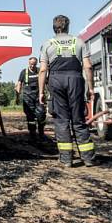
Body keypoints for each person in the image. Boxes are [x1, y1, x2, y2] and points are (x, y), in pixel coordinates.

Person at [38, 15, 95, 167]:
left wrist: (41, 92)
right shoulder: (80, 42)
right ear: (68, 27)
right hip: (76, 80)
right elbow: (88, 67)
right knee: (78, 119)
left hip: (56, 81)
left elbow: (43, 70)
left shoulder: (47, 44)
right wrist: (91, 88)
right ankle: (88, 158)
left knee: (61, 120)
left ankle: (66, 159)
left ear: (54, 27)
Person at [15, 57, 47, 142]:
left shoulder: (40, 71)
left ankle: (41, 133)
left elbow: (45, 82)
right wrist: (17, 96)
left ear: (36, 64)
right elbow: (19, 84)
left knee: (41, 115)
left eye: (34, 64)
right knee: (30, 117)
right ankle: (32, 135)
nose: (32, 66)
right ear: (28, 63)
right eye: (31, 64)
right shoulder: (23, 72)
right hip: (28, 98)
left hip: (38, 97)